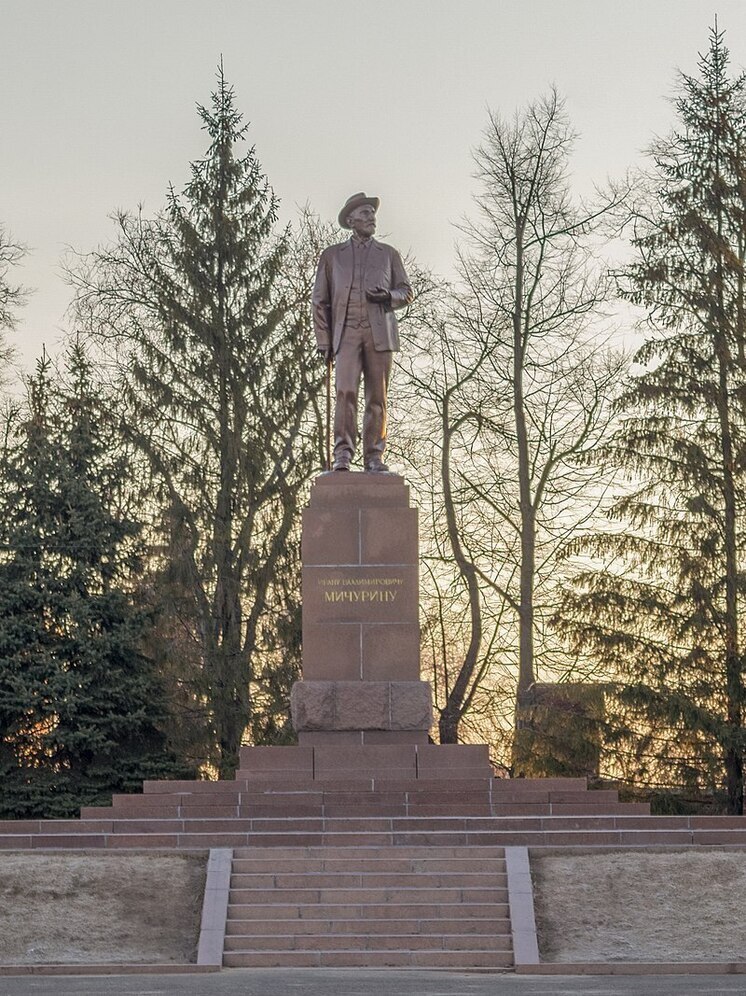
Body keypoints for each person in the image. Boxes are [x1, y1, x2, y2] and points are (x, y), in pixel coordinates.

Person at [312, 192, 413, 472]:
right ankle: (343, 454)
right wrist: (323, 340)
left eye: (373, 213)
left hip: (380, 334)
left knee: (377, 397)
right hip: (345, 334)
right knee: (345, 392)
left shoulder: (389, 254)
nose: (372, 218)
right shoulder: (332, 256)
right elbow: (320, 301)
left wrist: (388, 296)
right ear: (351, 219)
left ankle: (374, 456)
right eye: (366, 213)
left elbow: (406, 292)